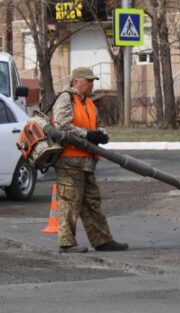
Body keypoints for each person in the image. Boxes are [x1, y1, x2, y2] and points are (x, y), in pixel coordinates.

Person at [52, 67, 127, 254]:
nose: (92, 84)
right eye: (89, 81)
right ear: (76, 81)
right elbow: (62, 126)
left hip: (87, 163)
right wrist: (88, 134)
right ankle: (67, 243)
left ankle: (102, 241)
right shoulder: (65, 98)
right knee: (69, 203)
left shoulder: (89, 103)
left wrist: (102, 134)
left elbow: (98, 124)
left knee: (92, 202)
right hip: (69, 162)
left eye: (93, 81)